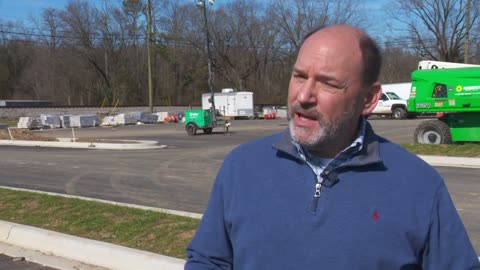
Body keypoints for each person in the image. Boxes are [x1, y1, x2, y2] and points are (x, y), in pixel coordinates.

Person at [185, 25, 480, 270]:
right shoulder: (241, 167)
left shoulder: (420, 185)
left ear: (368, 99)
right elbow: (208, 260)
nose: (303, 95)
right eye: (299, 76)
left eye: (328, 84)